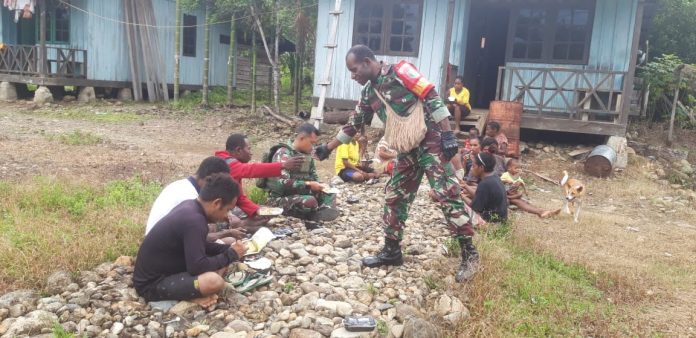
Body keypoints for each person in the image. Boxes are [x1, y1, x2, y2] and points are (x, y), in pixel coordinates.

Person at [312, 44, 479, 282]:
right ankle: (392, 250)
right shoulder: (369, 93)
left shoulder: (401, 71)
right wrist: (327, 148)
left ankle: (469, 254)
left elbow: (431, 95)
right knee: (394, 195)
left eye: (354, 69)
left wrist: (448, 133)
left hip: (430, 140)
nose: (353, 75)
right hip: (407, 148)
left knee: (447, 193)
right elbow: (353, 124)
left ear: (368, 62)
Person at [133, 174, 246, 307]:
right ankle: (189, 297)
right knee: (214, 281)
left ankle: (191, 292)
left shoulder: (190, 206)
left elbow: (200, 246)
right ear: (217, 203)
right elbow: (196, 266)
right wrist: (231, 255)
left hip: (171, 267)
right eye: (227, 210)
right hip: (151, 284)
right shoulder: (195, 221)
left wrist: (228, 250)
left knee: (225, 247)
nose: (226, 216)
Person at [145, 157, 245, 244]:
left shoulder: (182, 185)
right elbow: (198, 238)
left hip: (158, 239)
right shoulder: (190, 198)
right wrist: (227, 233)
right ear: (208, 179)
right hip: (166, 246)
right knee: (229, 242)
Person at [215, 134, 304, 230]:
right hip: (215, 210)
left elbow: (240, 199)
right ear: (239, 150)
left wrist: (256, 211)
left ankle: (242, 224)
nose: (251, 153)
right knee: (240, 220)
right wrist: (282, 165)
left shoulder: (232, 165)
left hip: (224, 208)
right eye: (249, 149)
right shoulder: (227, 163)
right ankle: (238, 225)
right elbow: (251, 169)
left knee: (264, 213)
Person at [266, 123, 339, 230]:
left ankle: (320, 211)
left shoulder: (307, 156)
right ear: (301, 138)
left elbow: (313, 176)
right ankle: (314, 213)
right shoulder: (283, 153)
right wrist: (308, 184)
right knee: (310, 201)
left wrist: (319, 185)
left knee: (330, 191)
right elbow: (282, 182)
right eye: (311, 143)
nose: (313, 147)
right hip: (280, 198)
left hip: (301, 193)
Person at [468, 152, 508, 222]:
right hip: (502, 219)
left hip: (492, 222)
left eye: (473, 166)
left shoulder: (485, 184)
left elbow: (474, 208)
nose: (471, 169)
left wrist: (461, 196)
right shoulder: (495, 177)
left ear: (481, 167)